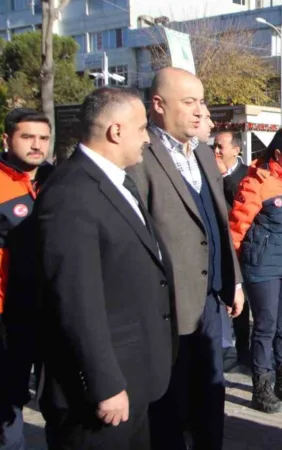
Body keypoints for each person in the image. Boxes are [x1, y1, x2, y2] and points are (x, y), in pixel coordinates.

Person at [36, 87, 175, 449]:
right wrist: (106, 383)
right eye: (143, 128)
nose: (148, 137)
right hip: (100, 394)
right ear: (116, 131)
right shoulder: (71, 193)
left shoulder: (117, 181)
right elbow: (75, 301)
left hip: (134, 377)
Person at [126, 67, 243, 450]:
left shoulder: (205, 155)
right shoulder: (140, 156)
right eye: (189, 102)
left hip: (210, 303)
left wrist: (234, 279)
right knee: (169, 410)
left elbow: (219, 223)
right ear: (158, 105)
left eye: (202, 102)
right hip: (167, 310)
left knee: (211, 398)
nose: (199, 111)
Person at [228, 130, 282, 414]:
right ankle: (261, 388)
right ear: (277, 154)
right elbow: (236, 230)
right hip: (262, 267)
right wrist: (234, 274)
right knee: (265, 326)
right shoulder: (255, 182)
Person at [0, 109, 54, 450]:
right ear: (7, 139)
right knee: (9, 405)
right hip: (9, 316)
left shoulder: (56, 179)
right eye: (28, 137)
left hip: (52, 311)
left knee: (58, 401)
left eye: (44, 138)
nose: (37, 145)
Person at [212, 131, 251, 370]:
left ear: (236, 150)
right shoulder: (208, 172)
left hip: (243, 249)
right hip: (218, 247)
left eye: (220, 147)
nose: (216, 151)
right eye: (214, 146)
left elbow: (238, 205)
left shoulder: (246, 175)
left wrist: (223, 177)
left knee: (243, 302)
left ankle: (244, 350)